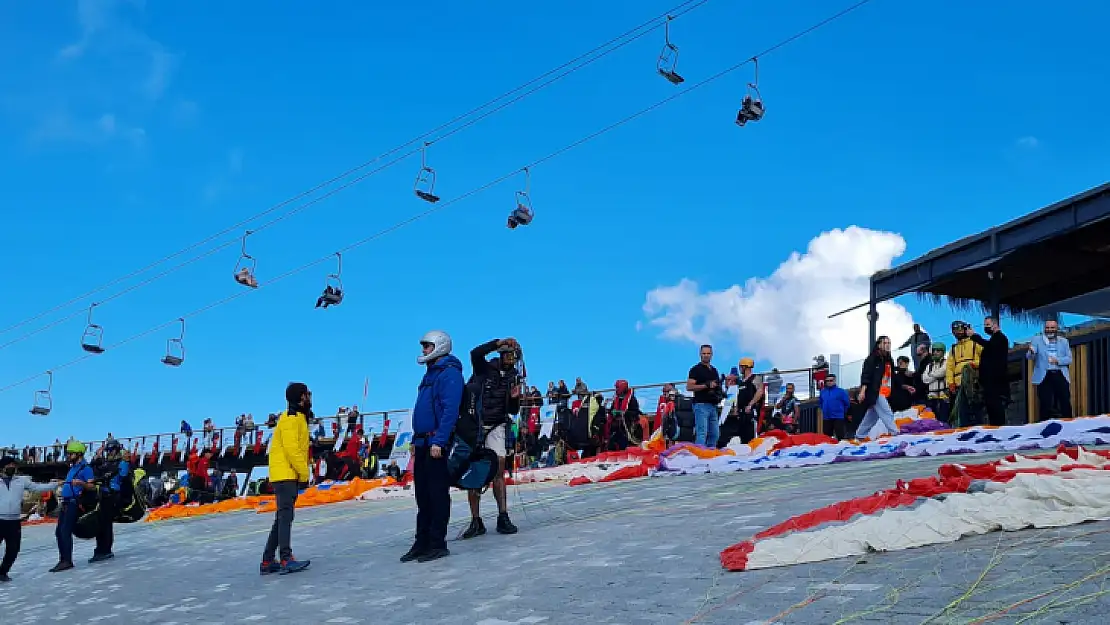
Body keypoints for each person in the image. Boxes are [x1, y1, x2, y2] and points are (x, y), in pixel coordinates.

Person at [401, 330, 463, 564]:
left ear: (439, 346)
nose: (424, 350)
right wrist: (416, 441)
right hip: (422, 442)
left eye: (427, 346)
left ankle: (437, 543)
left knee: (437, 495)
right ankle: (422, 541)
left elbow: (450, 410)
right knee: (423, 496)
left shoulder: (449, 374)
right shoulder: (430, 375)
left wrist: (440, 440)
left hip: (436, 443)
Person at [461, 337, 523, 540]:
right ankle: (476, 520)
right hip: (477, 425)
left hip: (498, 424)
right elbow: (474, 353)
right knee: (475, 472)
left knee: (499, 468)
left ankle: (503, 516)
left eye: (513, 355)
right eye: (507, 354)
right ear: (501, 354)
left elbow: (513, 410)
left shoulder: (514, 377)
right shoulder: (484, 368)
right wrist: (497, 342)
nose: (511, 358)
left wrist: (515, 398)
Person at [259, 382, 312, 576]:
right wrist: (304, 473)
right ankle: (285, 558)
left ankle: (267, 560)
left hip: (286, 474)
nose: (310, 398)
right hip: (286, 475)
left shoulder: (296, 418)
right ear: (301, 397)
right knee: (285, 517)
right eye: (308, 394)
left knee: (281, 517)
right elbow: (292, 450)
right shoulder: (291, 419)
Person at [1, 456, 58, 582]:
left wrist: (54, 485)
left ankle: (2, 572)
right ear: (3, 467)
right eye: (8, 465)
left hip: (14, 521)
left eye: (13, 465)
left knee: (13, 549)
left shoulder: (21, 481)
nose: (11, 467)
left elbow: (37, 487)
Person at [52, 440, 94, 573]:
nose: (68, 456)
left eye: (71, 453)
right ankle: (63, 559)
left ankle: (67, 561)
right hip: (65, 502)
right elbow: (70, 482)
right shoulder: (73, 468)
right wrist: (61, 482)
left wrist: (82, 483)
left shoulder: (86, 468)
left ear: (79, 454)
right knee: (59, 531)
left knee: (65, 531)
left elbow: (91, 486)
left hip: (73, 503)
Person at [89, 439, 130, 564]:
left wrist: (124, 461)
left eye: (111, 450)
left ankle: (106, 549)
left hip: (113, 495)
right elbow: (94, 470)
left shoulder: (121, 462)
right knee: (100, 522)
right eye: (108, 450)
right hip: (103, 494)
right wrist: (96, 458)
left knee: (106, 523)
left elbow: (123, 476)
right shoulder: (106, 463)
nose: (109, 453)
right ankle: (100, 548)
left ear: (117, 450)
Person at [855, 336, 900, 440]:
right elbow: (866, 376)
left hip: (885, 392)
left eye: (889, 343)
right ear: (879, 345)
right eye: (885, 343)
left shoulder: (889, 360)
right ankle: (895, 433)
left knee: (872, 417)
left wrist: (904, 386)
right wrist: (862, 391)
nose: (888, 345)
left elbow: (892, 376)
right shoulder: (872, 358)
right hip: (874, 391)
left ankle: (859, 435)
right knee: (887, 412)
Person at [1027, 320, 1073, 420]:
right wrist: (1031, 352)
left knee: (1065, 401)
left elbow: (1069, 359)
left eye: (1052, 328)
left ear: (1057, 329)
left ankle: (1069, 425)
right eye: (1047, 328)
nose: (1049, 330)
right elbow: (1029, 357)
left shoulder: (1064, 341)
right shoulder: (1037, 340)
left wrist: (1057, 360)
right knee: (1045, 403)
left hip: (1060, 374)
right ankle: (1045, 428)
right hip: (1044, 375)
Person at [969, 316, 1010, 426]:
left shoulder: (1001, 338)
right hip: (988, 381)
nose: (986, 328)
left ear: (995, 325)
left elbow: (990, 347)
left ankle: (999, 428)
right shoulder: (993, 339)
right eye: (985, 325)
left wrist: (974, 336)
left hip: (995, 380)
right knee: (991, 408)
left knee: (996, 408)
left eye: (987, 325)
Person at [686, 344, 722, 447]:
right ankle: (700, 456)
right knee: (702, 433)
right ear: (700, 354)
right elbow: (689, 387)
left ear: (712, 355)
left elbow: (716, 386)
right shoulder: (695, 369)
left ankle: (710, 455)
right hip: (701, 404)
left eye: (708, 353)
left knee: (715, 434)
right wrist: (706, 385)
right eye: (704, 353)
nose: (706, 355)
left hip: (713, 405)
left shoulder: (714, 370)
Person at [818, 374, 850, 440]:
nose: (829, 382)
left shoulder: (841, 391)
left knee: (840, 436)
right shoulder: (823, 392)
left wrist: (842, 412)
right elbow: (821, 403)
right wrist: (824, 410)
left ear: (835, 381)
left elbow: (847, 403)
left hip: (838, 417)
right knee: (827, 437)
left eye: (831, 380)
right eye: (827, 381)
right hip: (826, 417)